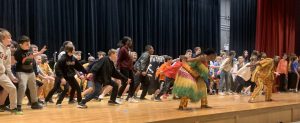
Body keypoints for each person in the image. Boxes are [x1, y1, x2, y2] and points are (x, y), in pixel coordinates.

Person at [14, 36, 46, 112]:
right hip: (21, 72)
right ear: (21, 45)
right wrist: (38, 53)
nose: (29, 46)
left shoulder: (30, 49)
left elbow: (32, 57)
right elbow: (24, 60)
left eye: (29, 44)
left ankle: (34, 103)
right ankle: (18, 105)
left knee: (33, 87)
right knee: (22, 87)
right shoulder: (17, 52)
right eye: (26, 44)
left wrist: (39, 53)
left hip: (31, 71)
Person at [0, 28, 20, 114]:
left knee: (12, 88)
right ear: (2, 39)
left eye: (10, 38)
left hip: (1, 74)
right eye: (8, 38)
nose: (11, 40)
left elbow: (8, 66)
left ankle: (13, 108)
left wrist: (12, 77)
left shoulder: (8, 50)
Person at [116, 36, 137, 102]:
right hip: (124, 68)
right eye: (129, 41)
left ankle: (130, 97)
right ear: (125, 42)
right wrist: (118, 68)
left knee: (133, 82)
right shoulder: (122, 49)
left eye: (131, 40)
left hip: (129, 68)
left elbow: (129, 60)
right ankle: (118, 97)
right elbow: (119, 59)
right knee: (125, 83)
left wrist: (133, 69)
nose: (131, 42)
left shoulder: (128, 49)